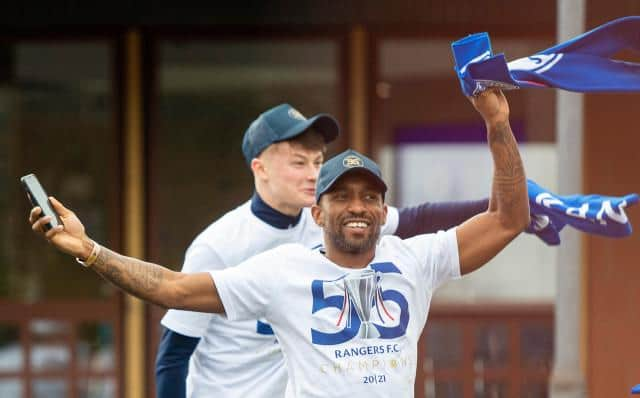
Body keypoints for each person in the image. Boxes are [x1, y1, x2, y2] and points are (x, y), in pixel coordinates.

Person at [30, 88, 528, 397]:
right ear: (318, 211)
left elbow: (507, 218)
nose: (357, 206)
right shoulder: (281, 269)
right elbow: (173, 290)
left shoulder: (414, 258)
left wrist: (498, 125)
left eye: (369, 197)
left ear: (383, 210)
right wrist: (90, 250)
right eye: (341, 196)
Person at [156, 102, 490, 397]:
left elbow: (420, 219)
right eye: (299, 163)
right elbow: (174, 355)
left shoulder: (330, 222)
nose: (313, 175)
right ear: (260, 169)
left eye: (318, 162)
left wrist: (507, 206)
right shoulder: (218, 244)